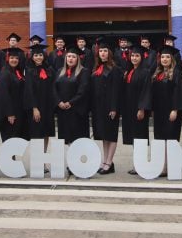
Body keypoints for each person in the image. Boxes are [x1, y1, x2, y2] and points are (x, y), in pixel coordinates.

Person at [152, 45, 182, 175]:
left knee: (171, 140)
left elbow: (178, 92)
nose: (164, 59)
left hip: (171, 111)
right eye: (162, 57)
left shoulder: (176, 73)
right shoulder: (157, 73)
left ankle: (171, 167)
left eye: (167, 57)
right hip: (159, 112)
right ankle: (163, 166)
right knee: (160, 140)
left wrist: (175, 109)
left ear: (172, 59)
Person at [90, 41, 123, 175]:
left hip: (110, 107)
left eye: (105, 51)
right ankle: (106, 161)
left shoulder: (115, 69)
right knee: (104, 135)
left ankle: (109, 162)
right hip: (99, 107)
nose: (102, 53)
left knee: (111, 134)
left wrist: (114, 108)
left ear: (109, 53)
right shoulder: (96, 68)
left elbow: (116, 90)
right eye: (101, 51)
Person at [122, 45, 152, 174]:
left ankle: (141, 164)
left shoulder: (145, 72)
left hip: (139, 110)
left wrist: (142, 108)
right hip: (129, 109)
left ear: (141, 57)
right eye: (132, 56)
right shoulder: (129, 71)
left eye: (137, 56)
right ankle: (137, 164)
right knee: (134, 138)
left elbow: (146, 91)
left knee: (140, 137)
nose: (134, 58)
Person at [54, 47, 91, 145]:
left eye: (73, 57)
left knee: (77, 140)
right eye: (68, 56)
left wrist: (71, 102)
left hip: (76, 110)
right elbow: (54, 89)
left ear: (78, 59)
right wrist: (58, 102)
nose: (70, 59)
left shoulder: (84, 71)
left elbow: (83, 90)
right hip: (62, 111)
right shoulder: (59, 71)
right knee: (64, 140)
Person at [25, 44, 55, 142]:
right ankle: (37, 155)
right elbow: (29, 90)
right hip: (36, 106)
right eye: (36, 55)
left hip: (47, 106)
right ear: (32, 57)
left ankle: (44, 154)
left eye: (40, 55)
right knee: (36, 131)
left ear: (44, 56)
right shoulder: (29, 71)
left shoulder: (49, 70)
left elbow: (53, 87)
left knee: (46, 131)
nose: (38, 57)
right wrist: (34, 108)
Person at [0, 48, 27, 140]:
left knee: (16, 139)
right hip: (10, 113)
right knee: (10, 138)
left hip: (19, 110)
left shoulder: (17, 72)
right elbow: (4, 95)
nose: (14, 60)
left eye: (16, 58)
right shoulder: (4, 73)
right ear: (7, 59)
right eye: (12, 58)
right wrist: (9, 113)